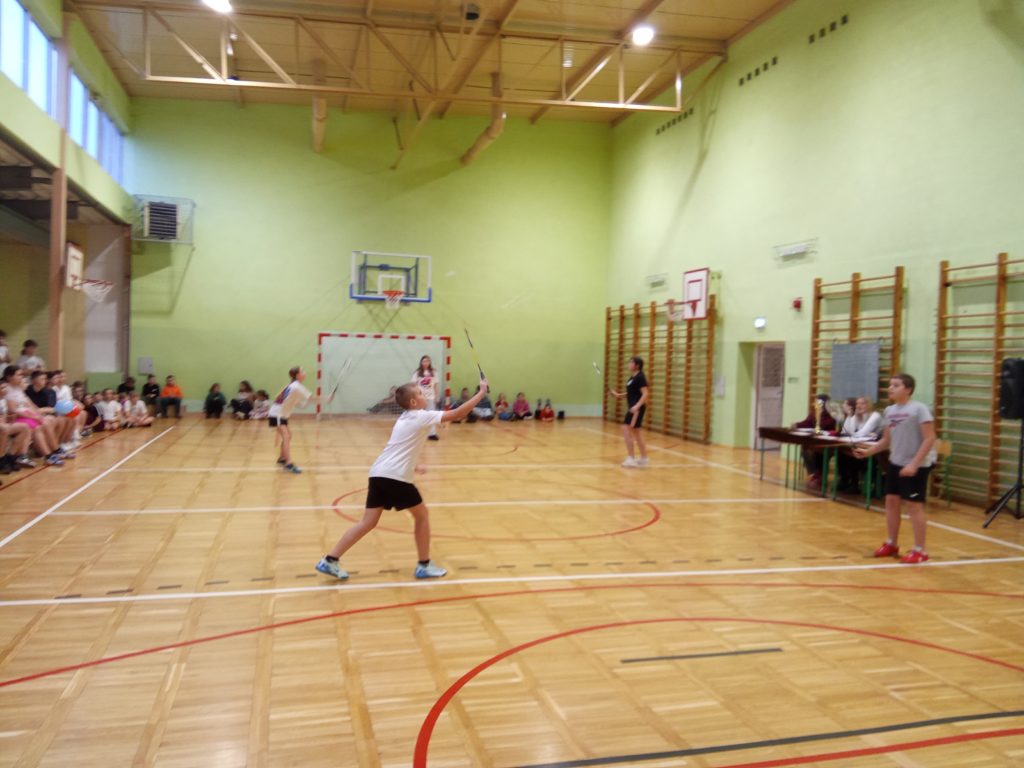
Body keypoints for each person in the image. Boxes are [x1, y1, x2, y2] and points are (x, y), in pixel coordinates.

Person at [315, 377, 490, 581]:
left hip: (379, 474)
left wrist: (414, 466)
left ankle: (330, 559)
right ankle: (424, 565)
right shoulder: (421, 416)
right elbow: (458, 414)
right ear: (413, 402)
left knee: (367, 522)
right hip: (395, 478)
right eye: (420, 393)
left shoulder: (404, 418)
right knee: (422, 516)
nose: (424, 395)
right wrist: (481, 393)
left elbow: (400, 448)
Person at [855, 373, 937, 564]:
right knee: (891, 502)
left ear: (908, 389)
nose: (890, 388)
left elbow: (930, 438)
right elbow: (886, 439)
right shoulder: (890, 411)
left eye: (896, 385)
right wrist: (868, 452)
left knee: (914, 507)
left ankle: (920, 550)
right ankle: (892, 543)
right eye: (890, 385)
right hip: (895, 463)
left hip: (916, 465)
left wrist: (914, 464)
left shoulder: (919, 409)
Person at [2, 366, 65, 465]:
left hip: (25, 415)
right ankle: (48, 455)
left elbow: (29, 404)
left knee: (46, 421)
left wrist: (38, 414)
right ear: (9, 377)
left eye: (21, 375)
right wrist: (33, 416)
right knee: (38, 428)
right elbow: (13, 410)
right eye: (18, 375)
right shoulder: (7, 389)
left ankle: (54, 450)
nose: (21, 377)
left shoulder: (17, 388)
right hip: (17, 418)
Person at [269, 366, 318, 473]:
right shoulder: (297, 386)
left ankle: (282, 458)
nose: (305, 372)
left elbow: (300, 404)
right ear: (297, 375)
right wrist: (327, 398)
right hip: (277, 414)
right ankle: (289, 463)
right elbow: (312, 399)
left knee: (288, 436)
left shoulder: (292, 386)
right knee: (286, 436)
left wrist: (305, 403)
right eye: (302, 371)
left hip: (280, 414)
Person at [609, 356, 650, 467]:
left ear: (637, 365)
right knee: (636, 432)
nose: (629, 364)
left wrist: (637, 406)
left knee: (626, 429)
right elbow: (630, 393)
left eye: (631, 362)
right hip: (634, 408)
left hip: (636, 409)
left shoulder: (640, 377)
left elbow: (645, 393)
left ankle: (631, 458)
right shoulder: (633, 378)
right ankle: (644, 459)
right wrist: (618, 395)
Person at [792, 394, 837, 490]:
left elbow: (825, 426)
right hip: (817, 442)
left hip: (828, 444)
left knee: (818, 451)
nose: (815, 403)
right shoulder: (814, 414)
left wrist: (819, 421)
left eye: (817, 402)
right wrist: (796, 425)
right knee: (805, 449)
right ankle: (813, 473)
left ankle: (820, 476)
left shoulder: (831, 416)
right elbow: (806, 423)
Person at [838, 396, 883, 492]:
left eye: (862, 403)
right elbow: (846, 432)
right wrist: (850, 416)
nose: (859, 406)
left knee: (855, 455)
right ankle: (848, 482)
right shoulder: (856, 416)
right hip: (861, 446)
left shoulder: (875, 416)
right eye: (857, 404)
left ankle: (857, 484)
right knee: (842, 453)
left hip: (875, 451)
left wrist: (855, 433)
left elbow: (860, 434)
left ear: (869, 405)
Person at [0, 381, 32, 475]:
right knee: (4, 429)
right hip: (2, 427)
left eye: (5, 388)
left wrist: (9, 418)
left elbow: (4, 416)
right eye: (2, 388)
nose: (5, 390)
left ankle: (10, 457)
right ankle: (1, 460)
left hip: (3, 425)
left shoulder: (3, 400)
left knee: (24, 427)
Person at [412, 355, 442, 441]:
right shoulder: (417, 373)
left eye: (427, 361)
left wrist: (435, 396)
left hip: (430, 397)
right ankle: (416, 433)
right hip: (420, 397)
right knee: (418, 415)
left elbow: (435, 386)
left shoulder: (433, 372)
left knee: (431, 415)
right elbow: (414, 385)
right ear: (421, 362)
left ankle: (432, 433)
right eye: (424, 361)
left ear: (430, 362)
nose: (425, 363)